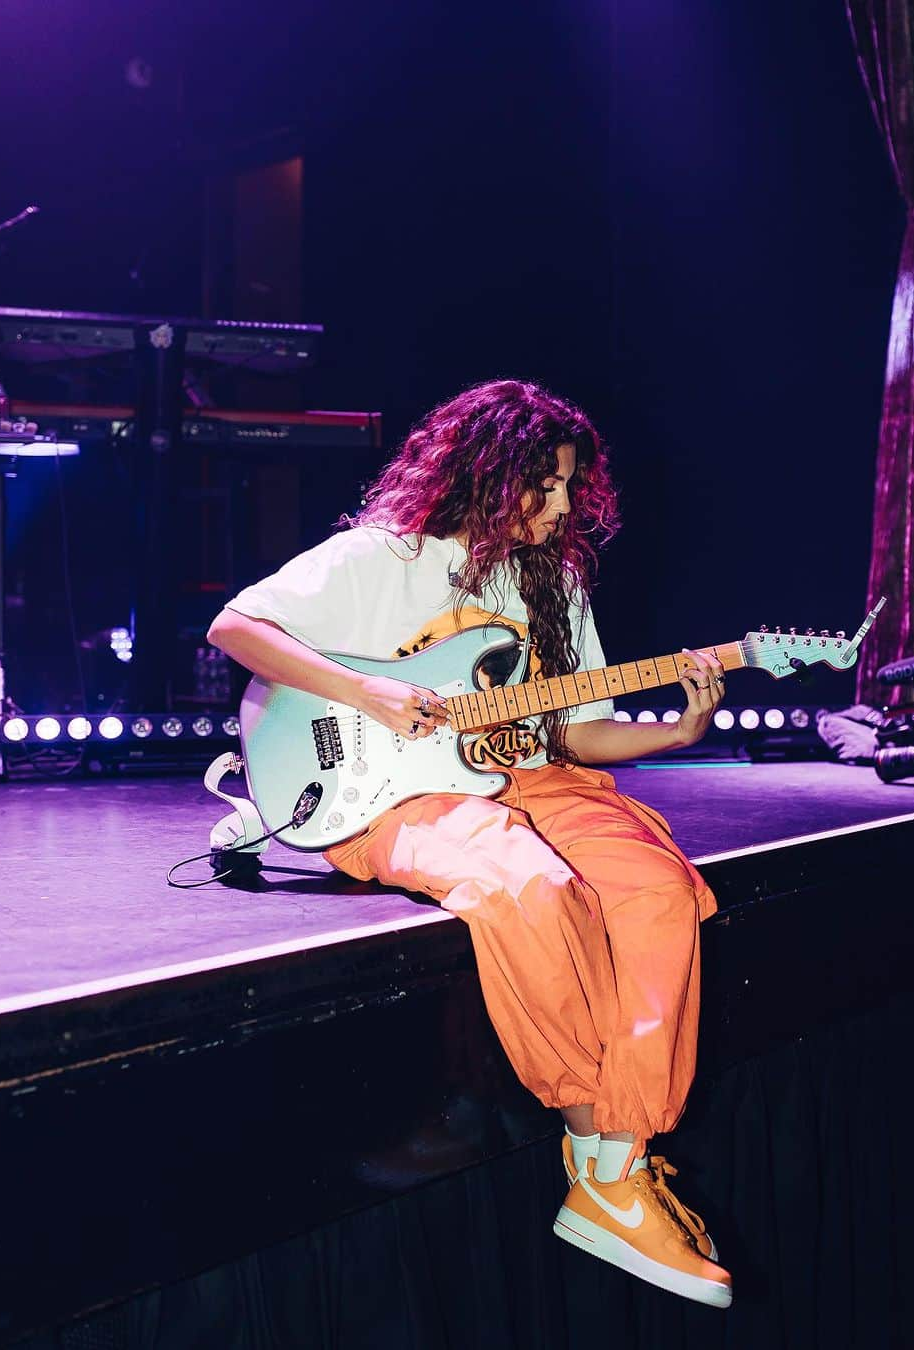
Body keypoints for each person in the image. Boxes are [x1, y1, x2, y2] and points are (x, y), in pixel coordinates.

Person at [207, 379, 733, 1308]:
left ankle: (614, 1163)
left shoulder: (553, 581)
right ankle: (604, 1160)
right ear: (489, 474)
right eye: (550, 485)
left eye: (573, 486)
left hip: (529, 775)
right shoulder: (384, 557)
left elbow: (574, 733)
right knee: (528, 887)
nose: (567, 506)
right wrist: (369, 693)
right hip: (392, 792)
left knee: (655, 886)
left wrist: (671, 734)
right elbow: (236, 626)